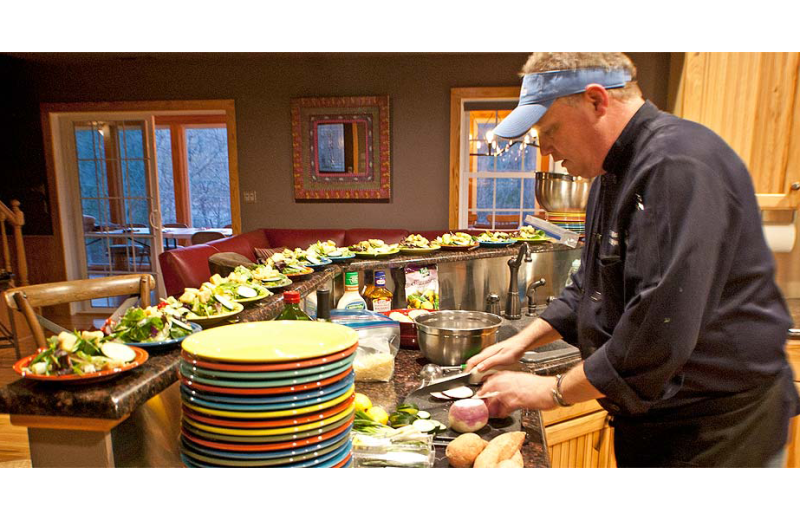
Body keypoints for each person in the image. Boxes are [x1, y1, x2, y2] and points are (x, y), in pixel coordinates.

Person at [466, 52, 800, 468]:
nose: (546, 150)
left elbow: (659, 329)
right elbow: (590, 286)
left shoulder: (677, 165)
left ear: (595, 101)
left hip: (718, 428)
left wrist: (551, 391)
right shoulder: (610, 176)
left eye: (549, 130)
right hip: (658, 419)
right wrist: (519, 342)